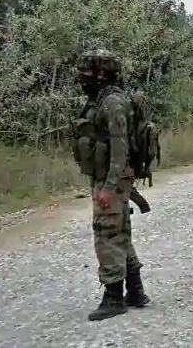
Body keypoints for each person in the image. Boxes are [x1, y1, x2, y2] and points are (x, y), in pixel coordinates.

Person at [72, 49, 150, 320]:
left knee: (106, 232)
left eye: (86, 73)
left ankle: (114, 297)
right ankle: (135, 291)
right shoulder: (103, 99)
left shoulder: (112, 103)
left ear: (102, 73)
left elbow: (120, 149)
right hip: (110, 177)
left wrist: (108, 187)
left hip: (112, 178)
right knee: (119, 232)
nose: (82, 79)